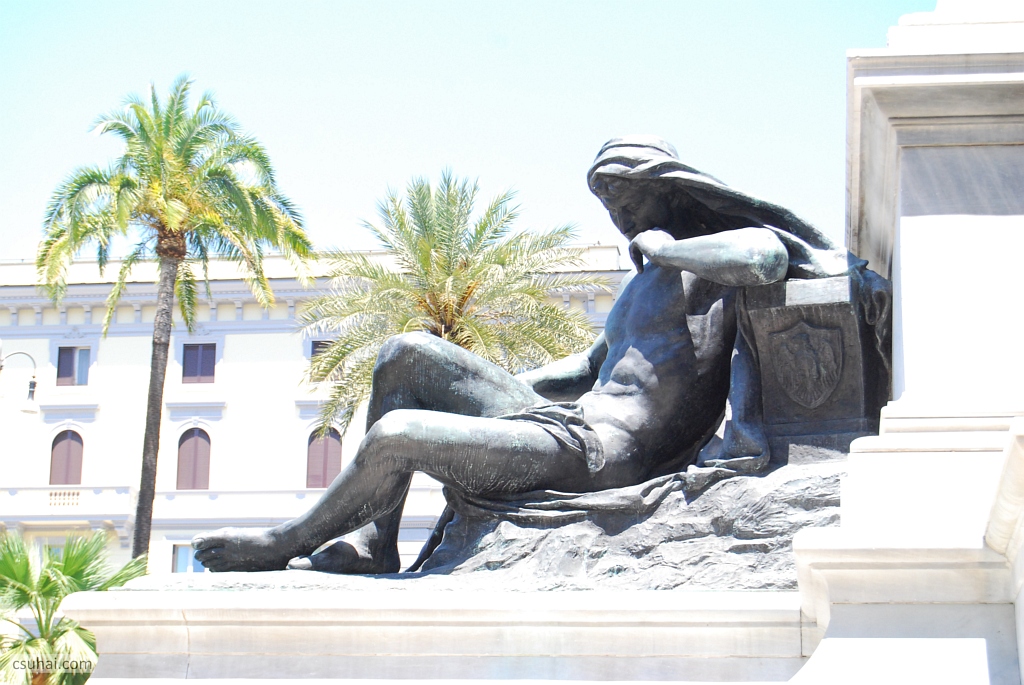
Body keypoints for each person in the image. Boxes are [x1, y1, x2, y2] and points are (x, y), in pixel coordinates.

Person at [192, 136, 849, 573]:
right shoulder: (640, 288)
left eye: (626, 200)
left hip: (606, 455)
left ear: (669, 188)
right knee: (404, 353)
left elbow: (768, 259)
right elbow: (586, 370)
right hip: (566, 424)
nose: (619, 218)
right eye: (608, 205)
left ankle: (284, 541)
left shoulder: (710, 260)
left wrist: (668, 248)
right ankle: (374, 541)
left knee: (397, 436)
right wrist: (480, 391)